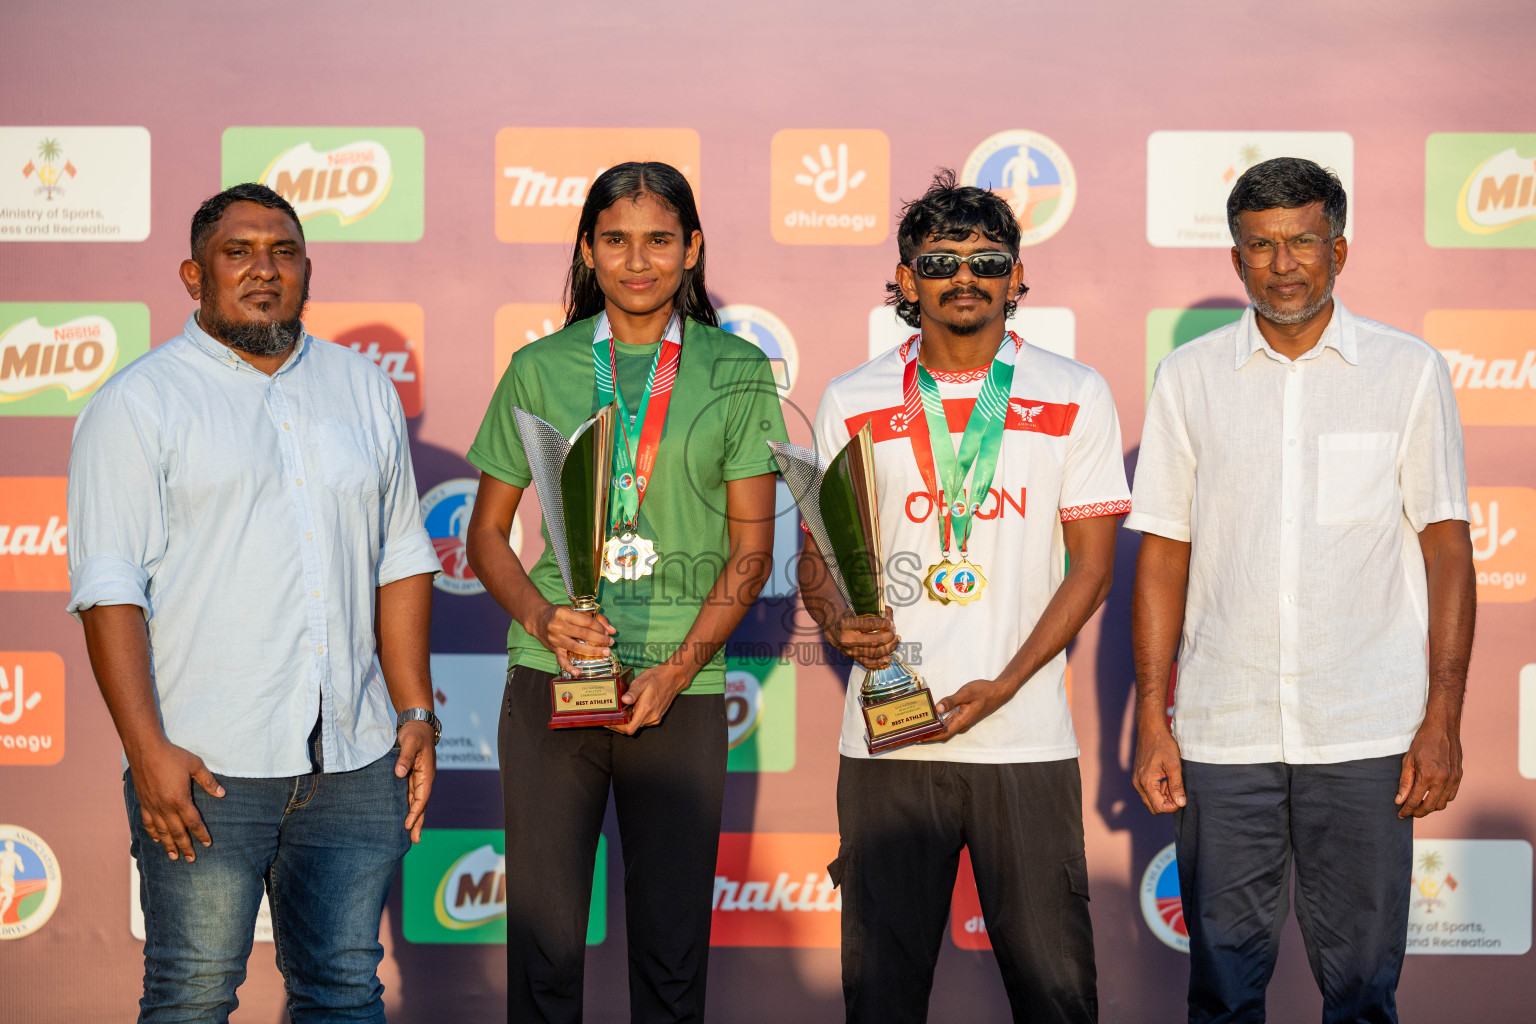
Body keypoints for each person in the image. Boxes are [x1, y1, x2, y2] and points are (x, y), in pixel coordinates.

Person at [66, 183, 442, 1023]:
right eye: (238, 253)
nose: (263, 271)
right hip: (206, 766)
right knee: (192, 996)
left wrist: (414, 705)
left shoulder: (363, 389)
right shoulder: (137, 404)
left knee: (345, 990)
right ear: (193, 274)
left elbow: (403, 557)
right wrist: (147, 749)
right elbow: (108, 587)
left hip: (353, 758)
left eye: (283, 252)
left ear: (308, 268)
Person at [1128, 157, 1475, 1024]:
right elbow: (1163, 554)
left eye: (1302, 243)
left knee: (1361, 994)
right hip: (1223, 728)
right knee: (1224, 993)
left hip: (1366, 729)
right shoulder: (1189, 378)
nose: (1283, 265)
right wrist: (1150, 717)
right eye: (1261, 246)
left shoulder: (1408, 371)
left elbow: (1447, 552)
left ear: (1340, 249)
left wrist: (1443, 718)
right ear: (1236, 258)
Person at [799, 170, 1128, 1023]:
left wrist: (1008, 685)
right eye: (941, 261)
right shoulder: (854, 397)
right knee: (883, 996)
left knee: (1057, 995)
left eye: (989, 260)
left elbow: (1091, 568)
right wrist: (838, 621)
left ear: (1018, 278)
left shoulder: (1074, 391)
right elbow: (819, 559)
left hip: (1022, 737)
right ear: (907, 280)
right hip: (889, 740)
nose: (965, 277)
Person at [464, 162, 786, 1024]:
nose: (637, 260)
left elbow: (753, 548)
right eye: (615, 239)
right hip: (552, 676)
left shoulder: (737, 368)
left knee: (673, 953)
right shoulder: (541, 367)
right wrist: (541, 616)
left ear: (692, 249)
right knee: (545, 948)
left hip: (678, 690)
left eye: (657, 239)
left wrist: (677, 671)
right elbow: (486, 533)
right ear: (587, 250)